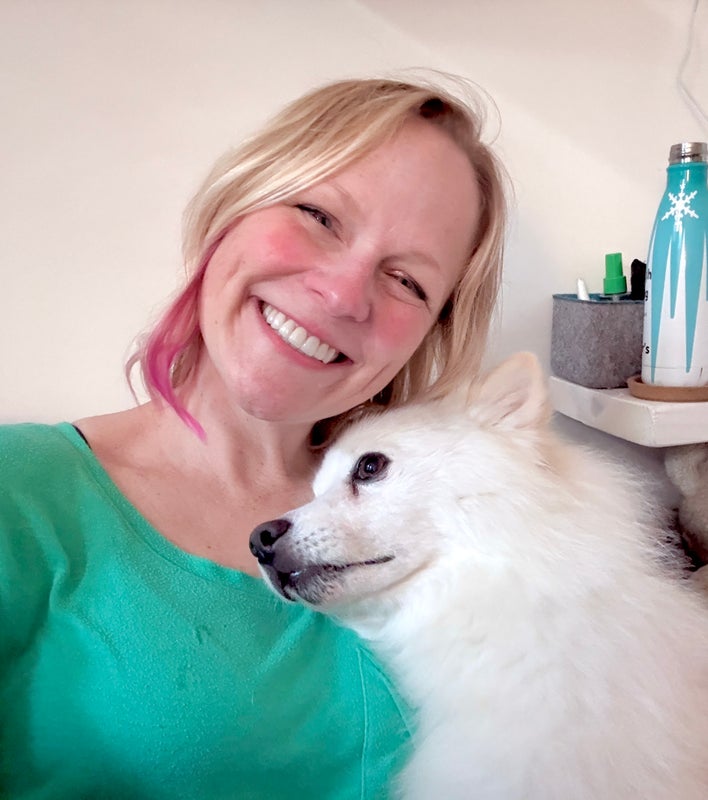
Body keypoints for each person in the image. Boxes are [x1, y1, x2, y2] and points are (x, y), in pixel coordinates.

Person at [0, 74, 508, 799]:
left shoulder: (464, 526)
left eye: (406, 280)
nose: (343, 294)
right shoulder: (20, 492)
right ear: (236, 204)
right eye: (320, 215)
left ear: (430, 334)